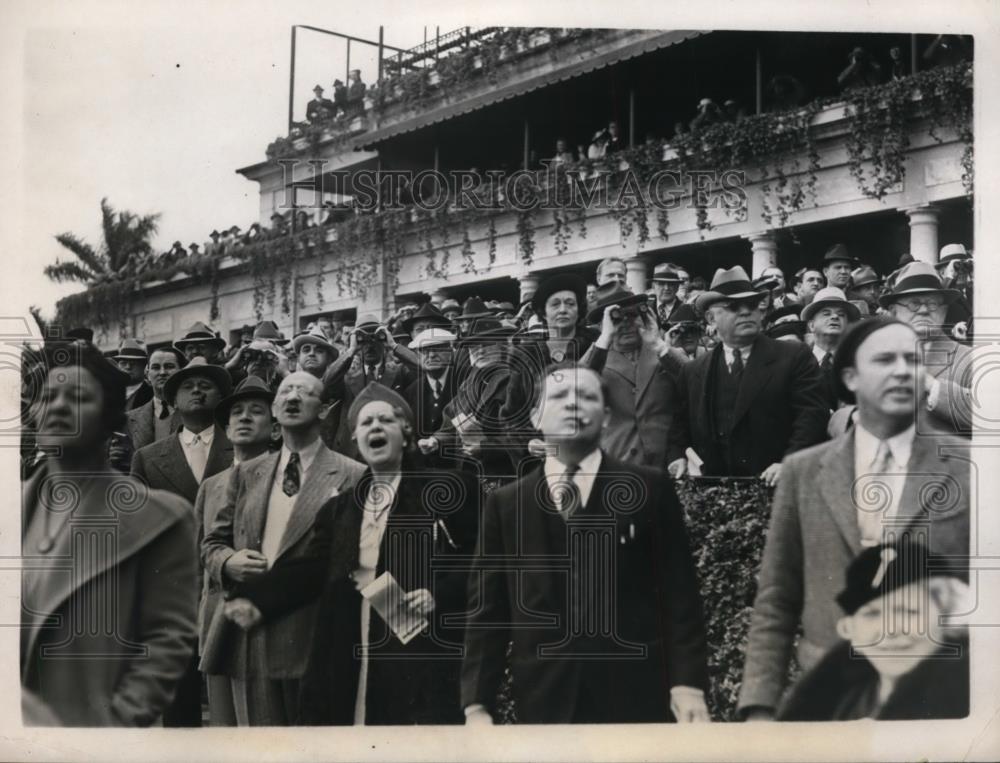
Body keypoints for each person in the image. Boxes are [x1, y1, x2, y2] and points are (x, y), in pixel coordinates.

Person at [737, 317, 969, 720]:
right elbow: (777, 599)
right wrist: (759, 706)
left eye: (912, 360)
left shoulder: (968, 468)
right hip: (829, 700)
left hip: (939, 704)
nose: (902, 371)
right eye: (884, 360)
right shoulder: (804, 472)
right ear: (850, 378)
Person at [461, 364, 709, 724]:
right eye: (560, 396)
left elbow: (679, 594)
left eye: (587, 396)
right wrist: (477, 704)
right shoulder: (507, 504)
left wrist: (687, 684)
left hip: (636, 696)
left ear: (606, 417)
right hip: (545, 699)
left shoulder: (649, 489)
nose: (573, 404)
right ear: (535, 416)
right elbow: (488, 610)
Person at [222, 384, 480, 725]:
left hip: (422, 647)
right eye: (366, 422)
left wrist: (439, 593)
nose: (375, 427)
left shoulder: (450, 489)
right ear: (356, 440)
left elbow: (484, 560)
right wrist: (257, 599)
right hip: (349, 640)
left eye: (385, 420)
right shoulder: (339, 508)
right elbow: (310, 569)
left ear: (405, 435)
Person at [21, 342, 197, 726]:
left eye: (78, 396)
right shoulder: (13, 511)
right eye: (48, 396)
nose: (58, 406)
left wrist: (113, 727)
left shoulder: (161, 518)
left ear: (109, 417)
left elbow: (167, 642)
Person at [201, 372, 365, 725]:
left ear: (322, 411)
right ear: (275, 410)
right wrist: (228, 562)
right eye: (285, 392)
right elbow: (212, 543)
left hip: (314, 631)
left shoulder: (353, 474)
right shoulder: (247, 473)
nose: (293, 397)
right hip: (251, 636)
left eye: (305, 392)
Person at [129, 356, 233, 727]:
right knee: (178, 696)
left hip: (229, 579)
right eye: (187, 385)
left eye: (206, 384)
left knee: (231, 693)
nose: (198, 389)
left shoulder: (241, 450)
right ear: (172, 401)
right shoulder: (148, 457)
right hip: (172, 584)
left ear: (222, 397)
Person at [667, 266, 829, 483]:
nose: (745, 312)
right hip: (716, 496)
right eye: (733, 306)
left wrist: (790, 462)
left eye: (752, 305)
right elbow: (678, 428)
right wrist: (678, 458)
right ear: (711, 318)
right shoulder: (693, 370)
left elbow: (812, 416)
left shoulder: (793, 356)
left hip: (779, 487)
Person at [778, 538, 969, 721]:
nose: (890, 630)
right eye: (872, 614)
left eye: (909, 611)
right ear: (849, 631)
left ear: (946, 620)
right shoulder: (837, 705)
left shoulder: (968, 706)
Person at [193, 375, 278, 727]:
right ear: (226, 431)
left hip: (266, 622)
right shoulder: (211, 486)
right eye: (236, 413)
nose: (244, 418)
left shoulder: (287, 478)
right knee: (224, 727)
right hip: (217, 622)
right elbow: (201, 554)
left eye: (256, 411)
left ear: (275, 429)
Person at [582, 283, 685, 468]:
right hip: (617, 463)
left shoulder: (663, 351)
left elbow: (694, 381)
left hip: (666, 464)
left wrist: (658, 343)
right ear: (602, 324)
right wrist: (604, 338)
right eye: (616, 319)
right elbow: (578, 391)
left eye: (632, 315)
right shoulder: (595, 357)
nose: (626, 324)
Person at [502, 273, 598, 460]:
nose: (563, 310)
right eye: (555, 304)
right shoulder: (526, 354)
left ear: (579, 310)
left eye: (570, 303)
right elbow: (510, 416)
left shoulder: (594, 345)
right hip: (541, 461)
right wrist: (527, 442)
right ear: (543, 312)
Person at [418, 318, 517, 490]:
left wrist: (485, 448)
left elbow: (524, 437)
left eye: (486, 344)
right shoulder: (468, 384)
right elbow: (450, 424)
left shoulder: (514, 381)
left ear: (501, 346)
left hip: (505, 479)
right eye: (474, 346)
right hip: (470, 480)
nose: (480, 351)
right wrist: (435, 441)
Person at [879, 261, 972, 435]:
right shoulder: (874, 357)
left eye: (932, 304)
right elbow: (836, 414)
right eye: (913, 303)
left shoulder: (970, 359)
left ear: (944, 310)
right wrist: (855, 417)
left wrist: (933, 387)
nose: (923, 310)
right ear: (893, 312)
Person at [113, 346, 186, 472]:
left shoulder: (195, 414)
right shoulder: (129, 419)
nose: (162, 372)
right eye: (156, 367)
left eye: (169, 366)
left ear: (181, 371)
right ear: (147, 374)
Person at [801, 286, 862, 410]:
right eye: (826, 313)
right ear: (812, 325)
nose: (834, 317)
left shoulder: (858, 362)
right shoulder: (799, 362)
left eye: (841, 314)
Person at [402, 328, 458, 446]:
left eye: (438, 348)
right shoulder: (411, 391)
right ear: (417, 356)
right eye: (424, 350)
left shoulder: (465, 383)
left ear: (451, 352)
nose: (431, 355)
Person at [113, 338, 153, 411]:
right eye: (123, 363)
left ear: (144, 367)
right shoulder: (109, 392)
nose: (128, 367)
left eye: (133, 363)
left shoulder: (152, 394)